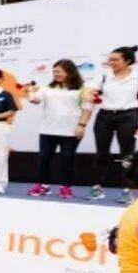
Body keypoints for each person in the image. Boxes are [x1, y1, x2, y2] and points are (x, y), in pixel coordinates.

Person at [88, 46, 138, 203]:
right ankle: (97, 188)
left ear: (128, 61)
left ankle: (127, 190)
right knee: (101, 153)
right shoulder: (103, 76)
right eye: (110, 59)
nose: (111, 62)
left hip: (128, 115)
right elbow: (89, 92)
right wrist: (89, 94)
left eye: (115, 59)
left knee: (127, 155)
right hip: (104, 116)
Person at [27, 59, 91, 199]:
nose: (56, 74)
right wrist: (30, 93)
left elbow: (87, 109)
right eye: (54, 71)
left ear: (69, 72)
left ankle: (66, 187)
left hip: (70, 131)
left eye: (59, 71)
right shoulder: (47, 88)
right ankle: (43, 185)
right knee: (44, 158)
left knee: (67, 159)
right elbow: (36, 100)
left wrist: (82, 126)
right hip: (47, 130)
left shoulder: (81, 88)